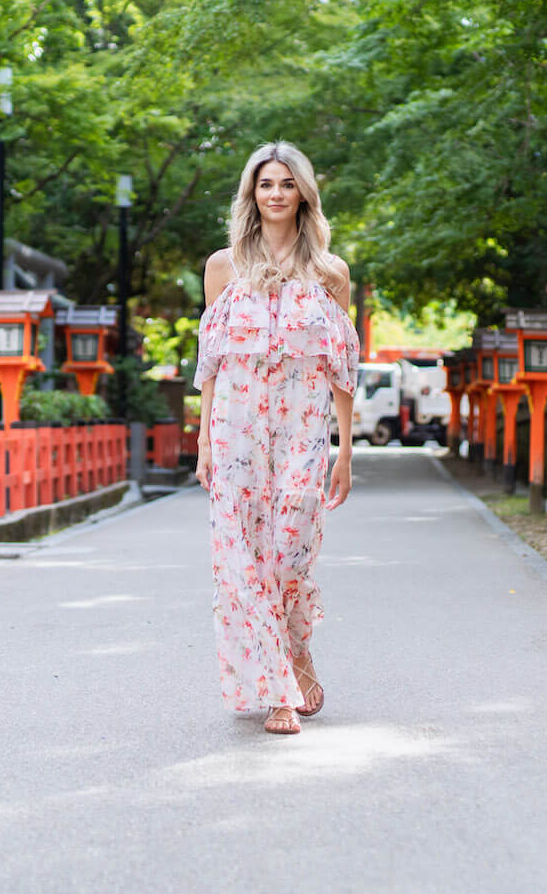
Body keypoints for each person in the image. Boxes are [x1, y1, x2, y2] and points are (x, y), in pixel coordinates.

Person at [194, 141, 358, 735]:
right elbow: (210, 357)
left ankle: (297, 649)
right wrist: (205, 440)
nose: (276, 194)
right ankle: (277, 692)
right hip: (235, 428)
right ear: (252, 194)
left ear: (303, 194)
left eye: (287, 184)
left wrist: (344, 450)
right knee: (243, 560)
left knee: (291, 548)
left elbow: (343, 366)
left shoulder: (330, 273)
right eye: (266, 184)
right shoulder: (223, 266)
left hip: (302, 429)